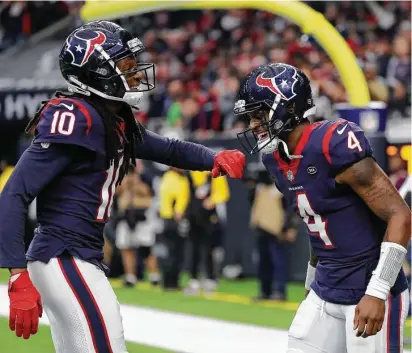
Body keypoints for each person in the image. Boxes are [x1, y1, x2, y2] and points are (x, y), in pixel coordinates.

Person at [0, 21, 245, 352]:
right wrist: (16, 276)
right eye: (125, 68)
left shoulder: (108, 117)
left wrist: (213, 158)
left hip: (73, 255)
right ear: (95, 73)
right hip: (65, 254)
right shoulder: (76, 115)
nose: (134, 74)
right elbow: (14, 193)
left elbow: (168, 148)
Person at [233, 63, 410, 353]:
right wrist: (310, 285)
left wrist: (378, 292)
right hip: (326, 286)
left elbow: (400, 215)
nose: (253, 125)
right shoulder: (276, 160)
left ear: (288, 108)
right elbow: (317, 224)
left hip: (368, 285)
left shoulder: (332, 142)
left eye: (259, 114)